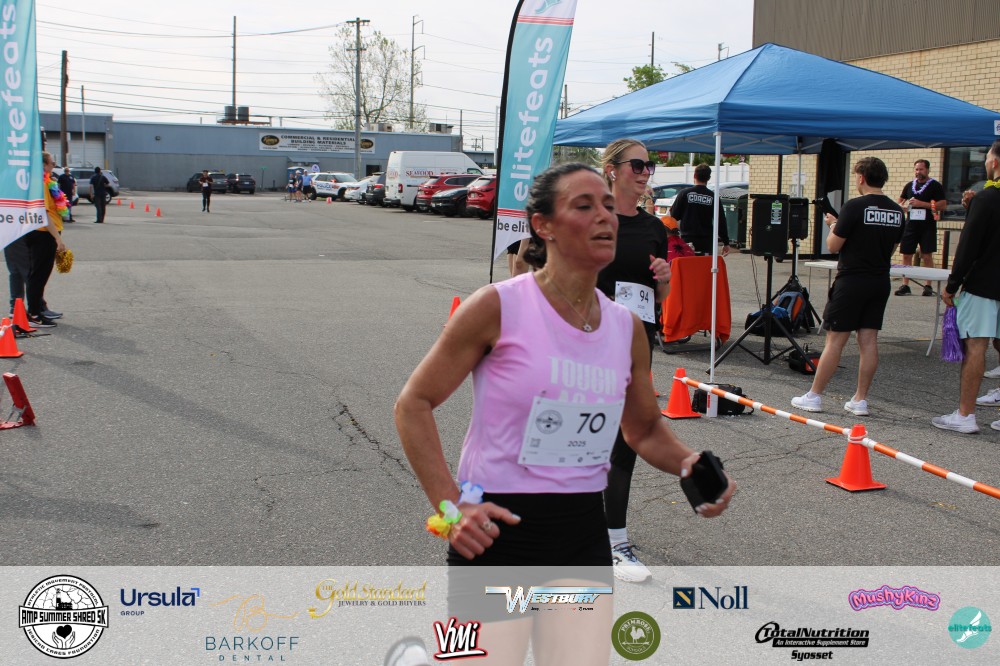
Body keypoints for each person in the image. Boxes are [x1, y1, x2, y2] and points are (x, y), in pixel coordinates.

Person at [395, 163, 734, 665]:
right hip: (497, 532)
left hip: (581, 534)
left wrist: (688, 462)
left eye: (607, 206)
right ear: (544, 225)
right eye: (584, 205)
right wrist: (449, 509)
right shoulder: (497, 307)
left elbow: (642, 428)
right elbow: (413, 404)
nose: (605, 216)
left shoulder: (625, 327)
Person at [598, 138, 670, 583]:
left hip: (637, 345)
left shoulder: (654, 227)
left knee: (624, 442)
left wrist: (663, 280)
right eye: (637, 165)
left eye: (650, 166)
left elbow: (658, 297)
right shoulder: (592, 217)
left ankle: (615, 541)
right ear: (612, 169)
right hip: (589, 345)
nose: (645, 173)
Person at [791, 157, 903, 415]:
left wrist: (833, 225)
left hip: (852, 280)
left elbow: (833, 245)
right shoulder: (897, 211)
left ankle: (814, 396)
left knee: (835, 340)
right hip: (879, 280)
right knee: (869, 340)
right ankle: (860, 400)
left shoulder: (854, 206)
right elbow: (892, 248)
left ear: (861, 177)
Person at [932, 140, 1000, 434]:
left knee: (976, 346)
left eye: (986, 158)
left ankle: (965, 415)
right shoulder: (983, 199)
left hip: (984, 285)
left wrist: (952, 284)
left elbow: (968, 247)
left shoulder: (986, 199)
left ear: (994, 162)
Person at [23, 152, 69, 328]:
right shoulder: (40, 183)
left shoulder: (47, 180)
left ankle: (39, 308)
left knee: (40, 273)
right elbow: (43, 213)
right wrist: (57, 238)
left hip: (45, 232)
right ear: (43, 164)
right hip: (42, 233)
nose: (54, 165)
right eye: (52, 162)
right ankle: (34, 314)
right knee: (38, 274)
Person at [895, 159, 946, 296]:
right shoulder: (909, 185)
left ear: (927, 170)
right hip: (910, 225)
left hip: (927, 226)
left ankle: (928, 285)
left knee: (926, 255)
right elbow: (900, 201)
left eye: (921, 169)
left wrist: (922, 204)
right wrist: (903, 207)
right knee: (906, 254)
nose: (918, 172)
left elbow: (942, 205)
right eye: (916, 169)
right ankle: (905, 285)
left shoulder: (935, 186)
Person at [670, 163, 731, 256]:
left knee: (688, 264)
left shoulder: (684, 193)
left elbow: (674, 216)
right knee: (704, 264)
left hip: (687, 239)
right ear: (708, 178)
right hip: (706, 241)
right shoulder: (713, 196)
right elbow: (720, 221)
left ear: (694, 175)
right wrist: (726, 242)